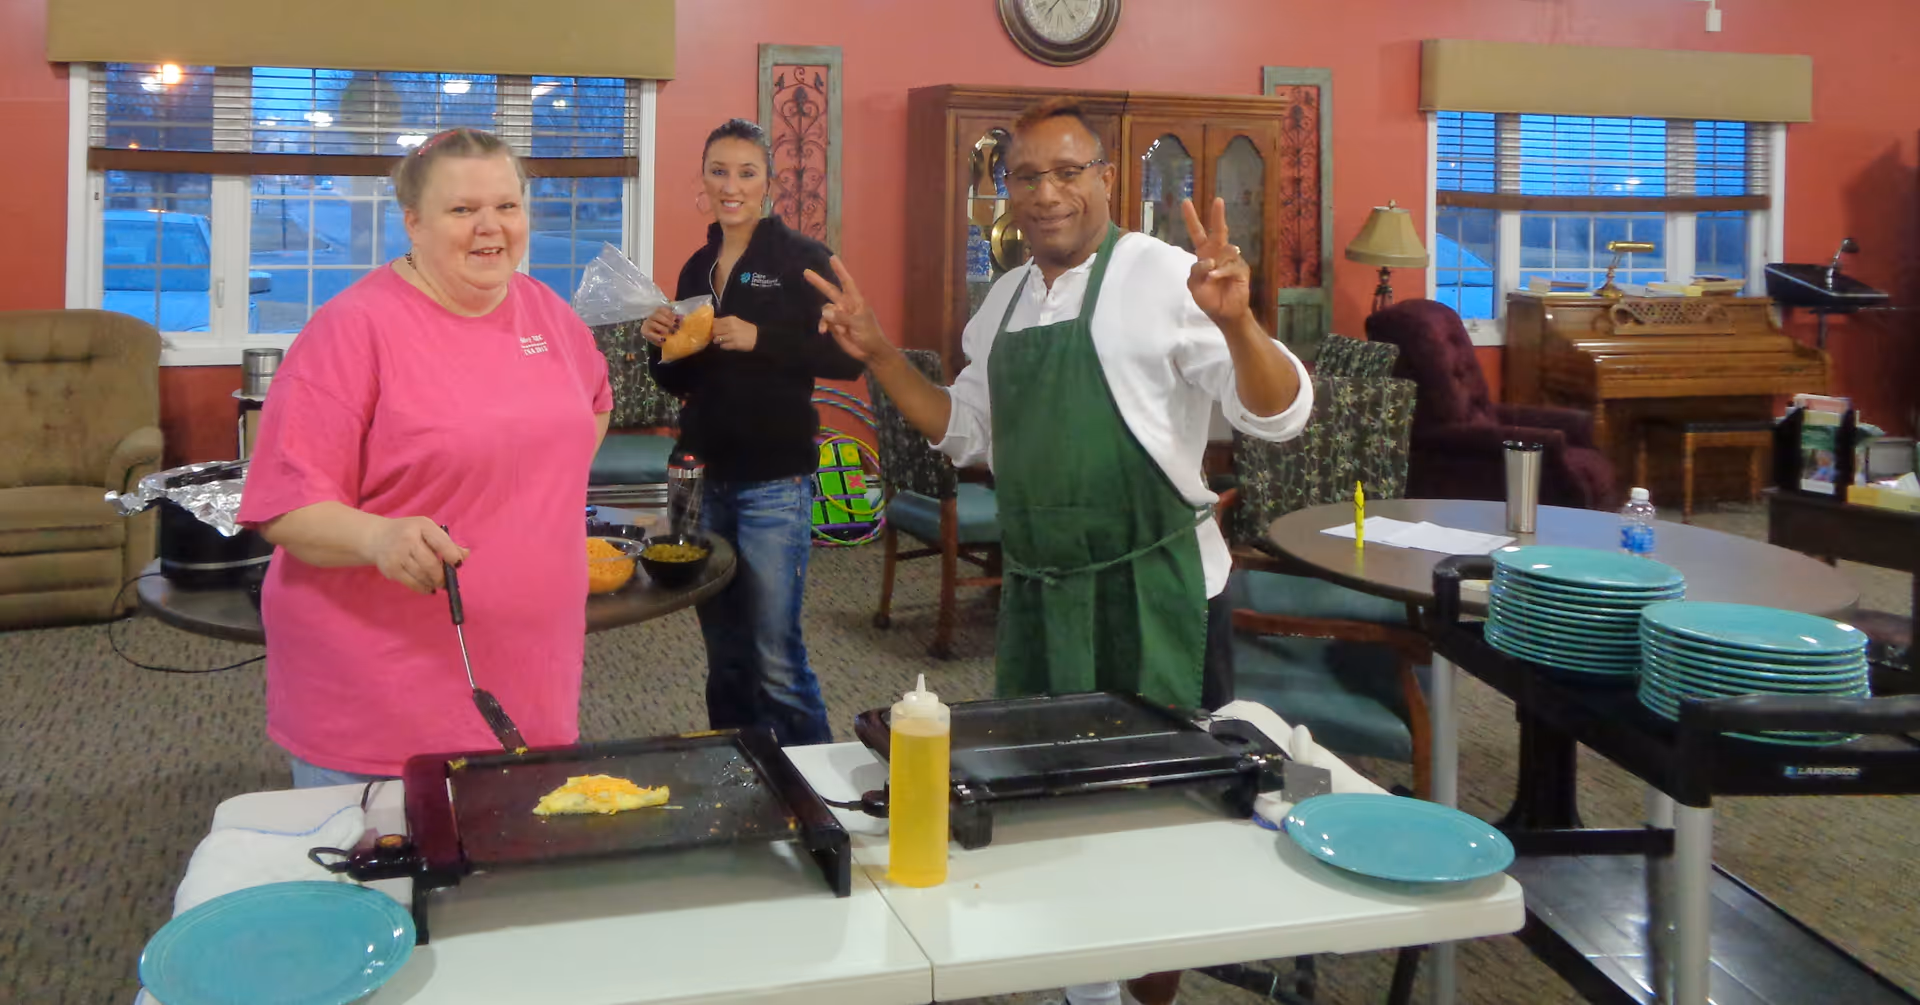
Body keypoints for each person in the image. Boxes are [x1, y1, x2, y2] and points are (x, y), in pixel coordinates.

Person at [808, 98, 1311, 1005]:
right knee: (1046, 804)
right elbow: (962, 431)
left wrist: (1240, 324)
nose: (1047, 194)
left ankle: (1148, 989)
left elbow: (1277, 416)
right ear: (1006, 192)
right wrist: (881, 352)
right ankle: (1082, 980)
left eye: (1068, 171)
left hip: (1157, 591)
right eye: (1026, 176)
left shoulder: (1169, 276)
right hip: (1041, 595)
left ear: (1107, 179)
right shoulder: (1000, 301)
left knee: (1165, 822)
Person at [238, 128, 612, 788]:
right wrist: (378, 535)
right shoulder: (351, 331)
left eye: (507, 205)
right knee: (385, 889)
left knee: (509, 880)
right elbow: (284, 506)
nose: (490, 228)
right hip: (382, 692)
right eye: (462, 210)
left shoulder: (549, 316)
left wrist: (530, 494)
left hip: (532, 678)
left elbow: (593, 406)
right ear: (412, 221)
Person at [641, 118, 863, 746]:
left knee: (774, 653)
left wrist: (763, 339)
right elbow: (679, 383)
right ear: (703, 180)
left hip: (774, 483)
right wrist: (660, 344)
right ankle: (740, 773)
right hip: (702, 480)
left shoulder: (802, 260)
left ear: (769, 182)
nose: (730, 186)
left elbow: (848, 361)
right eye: (719, 171)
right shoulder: (695, 267)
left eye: (746, 172)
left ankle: (815, 791)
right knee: (724, 652)